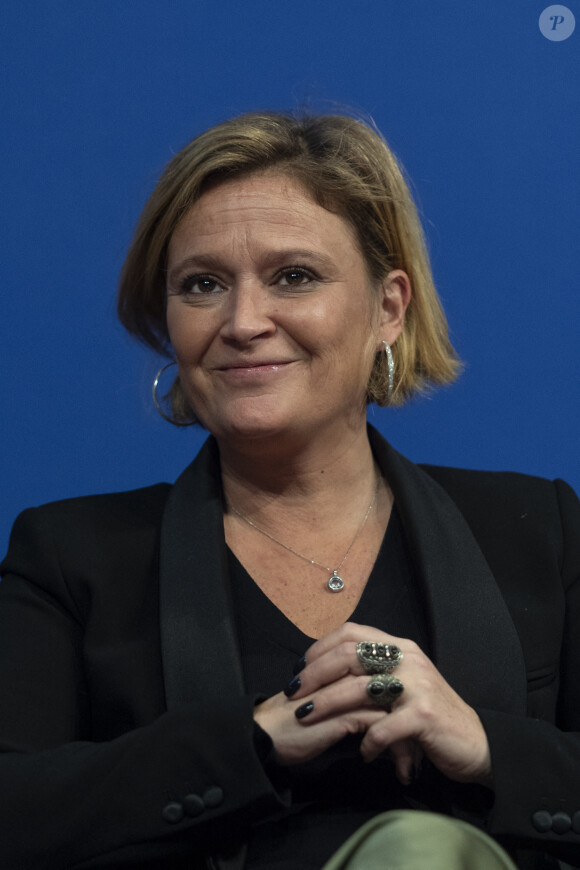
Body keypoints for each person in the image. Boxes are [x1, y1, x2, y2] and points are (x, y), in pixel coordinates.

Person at [1, 111, 579, 870]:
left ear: (388, 308)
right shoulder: (69, 558)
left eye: (293, 277)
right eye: (202, 284)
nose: (243, 322)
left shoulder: (541, 529)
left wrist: (483, 745)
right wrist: (256, 743)